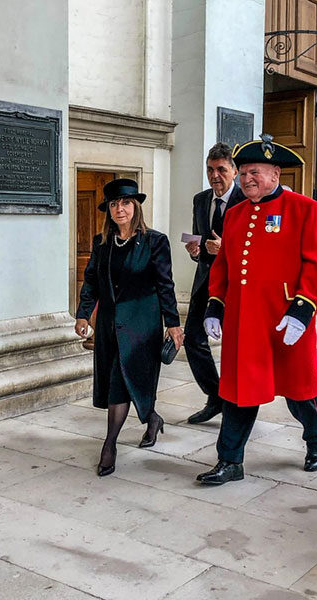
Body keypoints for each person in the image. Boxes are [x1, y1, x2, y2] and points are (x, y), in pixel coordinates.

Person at [195, 134, 317, 485]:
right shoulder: (236, 214)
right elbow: (223, 265)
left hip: (286, 318)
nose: (246, 179)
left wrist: (302, 311)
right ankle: (230, 461)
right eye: (243, 173)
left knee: (299, 391)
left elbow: (315, 265)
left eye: (254, 172)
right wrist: (215, 305)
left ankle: (316, 440)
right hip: (246, 322)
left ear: (275, 173)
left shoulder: (306, 209)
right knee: (240, 391)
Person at [75, 178, 184, 477]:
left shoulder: (155, 241)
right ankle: (152, 419)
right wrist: (83, 314)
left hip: (142, 325)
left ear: (135, 207)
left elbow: (165, 285)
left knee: (123, 382)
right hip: (110, 326)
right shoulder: (103, 243)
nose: (119, 209)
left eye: (125, 203)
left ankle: (109, 444)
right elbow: (92, 281)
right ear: (108, 211)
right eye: (113, 204)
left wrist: (173, 324)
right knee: (120, 379)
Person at [184, 143, 246, 425]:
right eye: (210, 170)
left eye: (221, 169)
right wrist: (196, 251)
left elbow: (253, 250)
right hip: (205, 284)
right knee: (193, 339)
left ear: (234, 170)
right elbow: (201, 239)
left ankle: (239, 406)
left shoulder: (247, 201)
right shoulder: (200, 199)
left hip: (236, 286)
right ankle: (216, 396)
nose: (215, 175)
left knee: (236, 348)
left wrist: (226, 251)